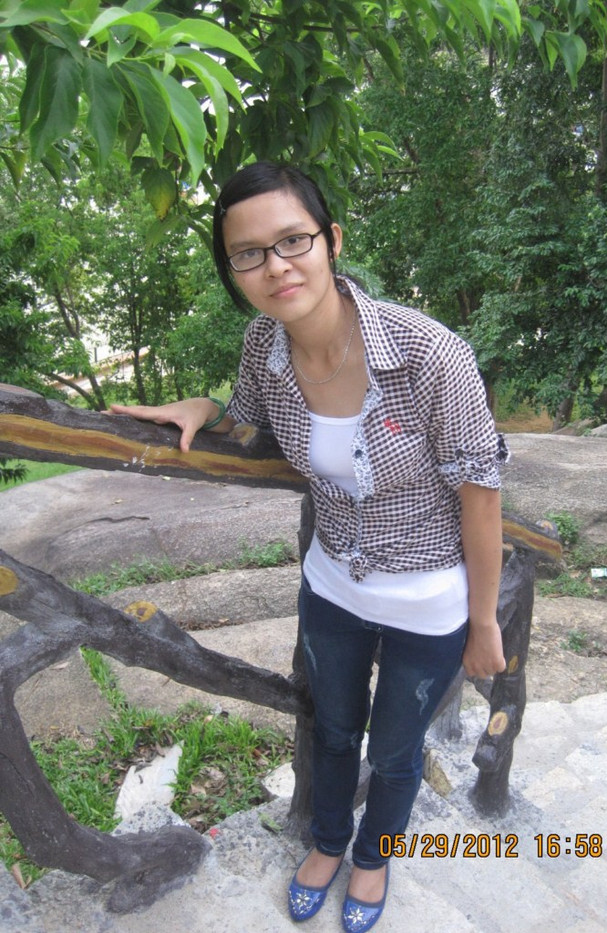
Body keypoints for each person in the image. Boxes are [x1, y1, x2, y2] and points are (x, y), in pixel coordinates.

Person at [110, 161, 509, 933]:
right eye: (249, 253)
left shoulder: (432, 356)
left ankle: (374, 855)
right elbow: (247, 418)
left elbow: (482, 496)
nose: (276, 266)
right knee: (331, 731)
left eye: (293, 240)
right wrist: (202, 405)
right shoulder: (264, 343)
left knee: (394, 751)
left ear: (332, 241)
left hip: (428, 600)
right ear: (234, 270)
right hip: (331, 588)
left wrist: (484, 621)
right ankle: (327, 843)